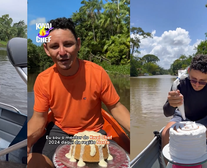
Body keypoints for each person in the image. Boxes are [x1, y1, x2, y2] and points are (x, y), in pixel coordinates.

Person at [27, 17, 130, 168]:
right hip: (58, 133)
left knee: (120, 162)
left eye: (68, 44)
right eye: (55, 46)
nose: (62, 52)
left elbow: (115, 107)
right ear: (46, 50)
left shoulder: (97, 73)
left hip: (94, 133)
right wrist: (27, 141)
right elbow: (39, 118)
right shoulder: (43, 79)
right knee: (34, 163)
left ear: (78, 44)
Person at [162, 54, 207, 168]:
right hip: (182, 116)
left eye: (202, 81)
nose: (197, 85)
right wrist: (171, 104)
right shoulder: (179, 84)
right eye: (193, 79)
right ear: (189, 71)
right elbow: (166, 113)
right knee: (165, 134)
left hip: (204, 118)